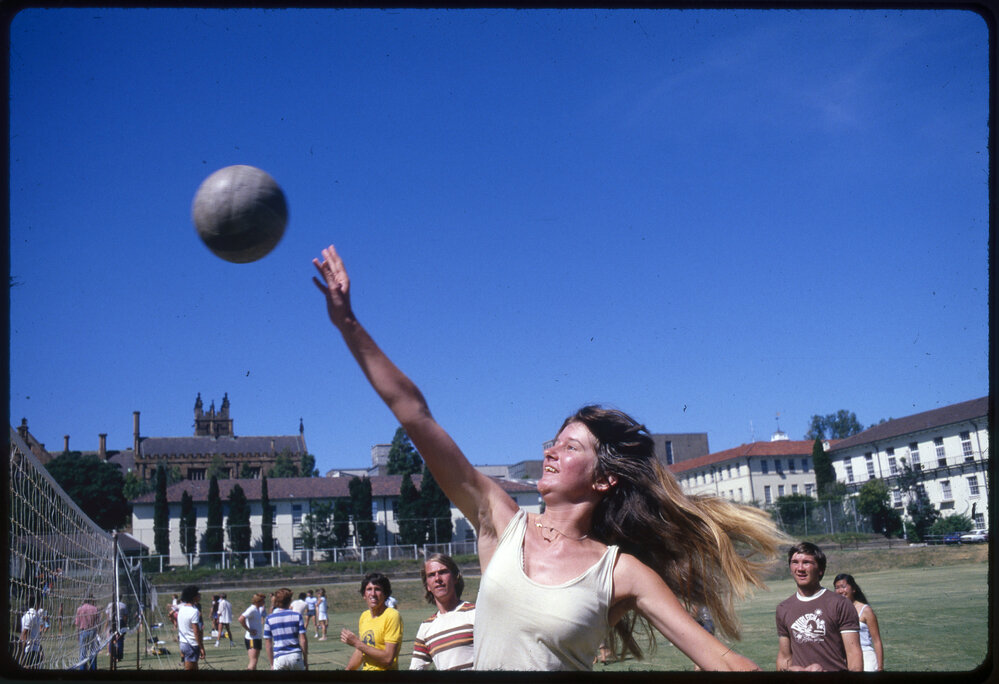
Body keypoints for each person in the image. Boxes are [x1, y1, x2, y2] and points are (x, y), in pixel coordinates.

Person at [313, 244, 785, 671]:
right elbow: (415, 415)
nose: (550, 451)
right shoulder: (500, 520)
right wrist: (348, 324)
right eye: (553, 441)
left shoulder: (620, 571)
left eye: (570, 446)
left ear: (604, 480)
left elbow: (719, 659)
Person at [776, 542, 862, 672]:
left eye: (806, 562)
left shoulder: (840, 604)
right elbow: (784, 656)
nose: (800, 568)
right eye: (795, 562)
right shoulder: (783, 608)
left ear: (820, 569)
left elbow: (854, 654)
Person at [410, 554, 475, 671]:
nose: (437, 579)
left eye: (443, 572)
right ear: (427, 586)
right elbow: (415, 672)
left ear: (455, 577)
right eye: (431, 575)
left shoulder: (475, 613)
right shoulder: (426, 628)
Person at [341, 572, 403, 670]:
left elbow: (388, 658)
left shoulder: (392, 616)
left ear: (385, 594)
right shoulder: (364, 616)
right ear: (364, 594)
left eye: (377, 589)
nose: (373, 594)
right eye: (369, 589)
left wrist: (356, 643)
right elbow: (361, 651)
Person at [834, 573, 884, 672]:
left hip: (866, 656)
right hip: (845, 658)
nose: (840, 591)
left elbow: (877, 641)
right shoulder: (836, 611)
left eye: (843, 587)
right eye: (837, 588)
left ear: (853, 589)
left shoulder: (865, 610)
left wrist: (880, 667)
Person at [263, 588, 308, 670]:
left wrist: (271, 663)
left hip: (279, 657)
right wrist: (305, 660)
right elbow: (303, 640)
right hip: (295, 655)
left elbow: (268, 644)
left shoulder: (269, 619)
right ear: (290, 600)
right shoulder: (297, 616)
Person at [176, 585, 205, 671]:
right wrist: (201, 647)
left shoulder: (182, 608)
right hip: (191, 644)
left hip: (183, 643)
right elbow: (196, 632)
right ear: (193, 597)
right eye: (198, 594)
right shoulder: (194, 611)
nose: (200, 595)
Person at [238, 593, 267, 670]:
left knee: (254, 661)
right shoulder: (252, 609)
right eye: (263, 601)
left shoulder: (257, 609)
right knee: (253, 661)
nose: (264, 602)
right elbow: (241, 619)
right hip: (252, 639)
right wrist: (249, 630)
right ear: (258, 601)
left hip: (257, 637)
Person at [74, 595, 101, 670]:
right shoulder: (95, 609)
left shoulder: (79, 609)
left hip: (83, 631)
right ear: (91, 600)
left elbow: (77, 624)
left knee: (83, 652)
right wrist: (99, 633)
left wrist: (77, 635)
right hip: (93, 631)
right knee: (93, 651)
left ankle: (82, 668)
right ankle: (93, 668)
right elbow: (98, 623)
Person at [19, 593, 44, 669]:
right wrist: (22, 653)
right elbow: (24, 634)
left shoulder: (30, 614)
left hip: (34, 648)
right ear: (37, 603)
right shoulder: (32, 615)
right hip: (31, 651)